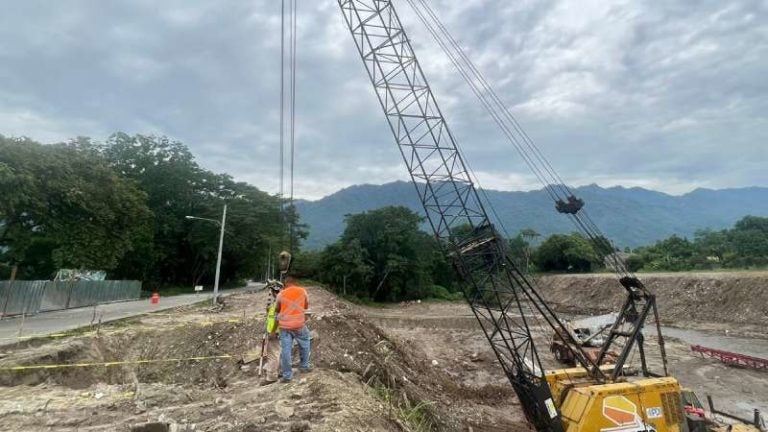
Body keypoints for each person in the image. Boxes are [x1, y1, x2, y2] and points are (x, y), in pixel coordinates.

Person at [274, 276, 311, 383]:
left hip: (285, 326)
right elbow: (306, 305)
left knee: (286, 350)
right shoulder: (303, 291)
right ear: (295, 283)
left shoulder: (281, 294)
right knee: (305, 343)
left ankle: (287, 376)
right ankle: (304, 366)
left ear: (285, 284)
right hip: (299, 324)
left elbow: (277, 309)